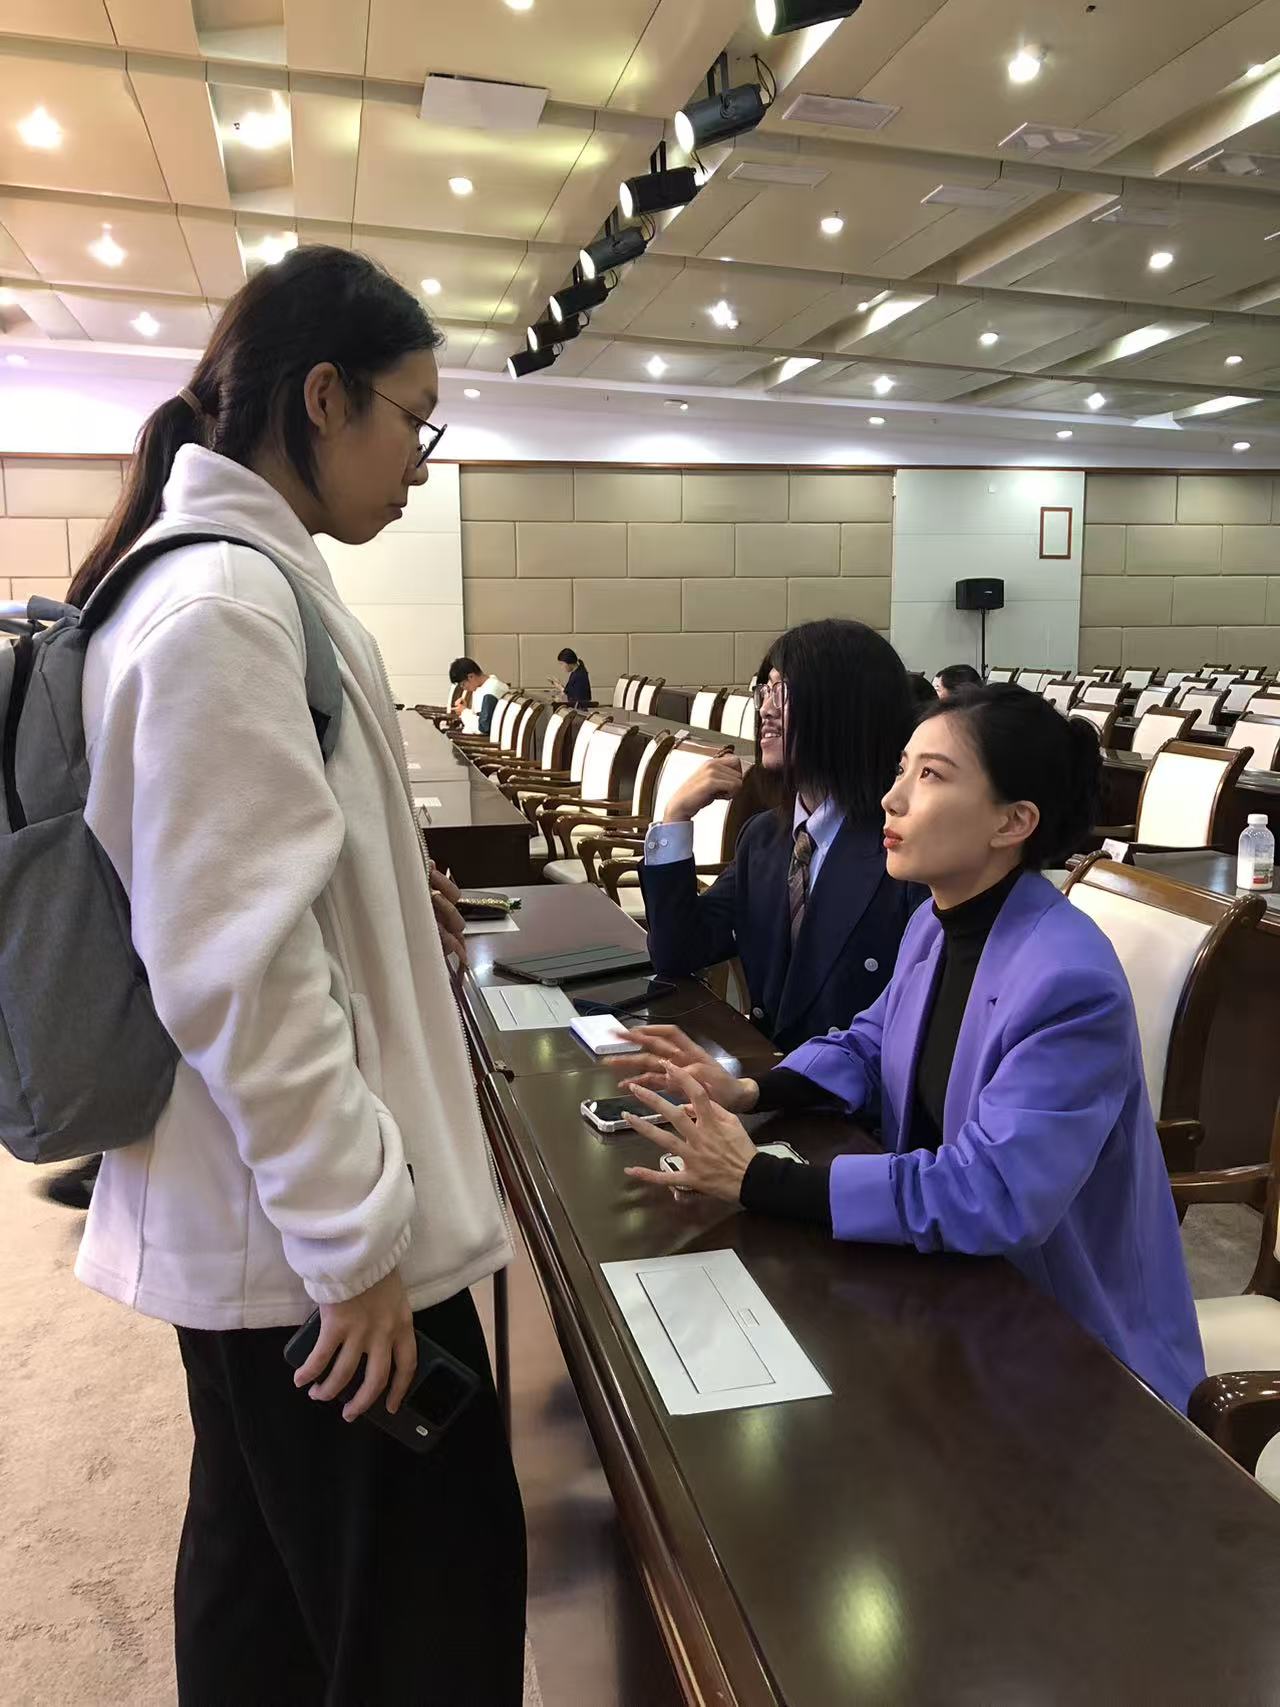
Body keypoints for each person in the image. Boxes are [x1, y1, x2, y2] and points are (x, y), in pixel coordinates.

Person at [70, 246, 526, 1703]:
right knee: (425, 1622)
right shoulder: (223, 606)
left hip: (285, 1236)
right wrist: (354, 1248)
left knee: (267, 1597)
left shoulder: (239, 583)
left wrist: (392, 908)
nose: (420, 464)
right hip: (319, 1252)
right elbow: (237, 971)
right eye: (413, 420)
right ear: (323, 397)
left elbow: (265, 899)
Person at [616, 683, 1205, 1412]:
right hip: (948, 1288)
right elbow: (872, 1041)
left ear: (1013, 822)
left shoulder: (1068, 980)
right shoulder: (934, 919)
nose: (892, 799)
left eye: (930, 775)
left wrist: (760, 1179)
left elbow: (991, 1193)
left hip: (1068, 1344)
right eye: (902, 769)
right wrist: (752, 1090)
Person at [640, 620, 926, 1052]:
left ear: (848, 708)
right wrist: (674, 819)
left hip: (849, 1087)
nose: (766, 710)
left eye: (785, 692)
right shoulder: (765, 838)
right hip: (767, 1075)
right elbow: (678, 953)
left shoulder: (902, 847)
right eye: (765, 691)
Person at [448, 654, 509, 735]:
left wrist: (464, 712)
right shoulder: (485, 686)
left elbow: (483, 727)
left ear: (471, 676)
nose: (464, 688)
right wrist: (465, 709)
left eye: (463, 684)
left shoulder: (491, 691)